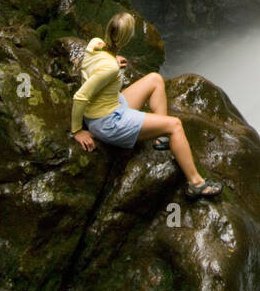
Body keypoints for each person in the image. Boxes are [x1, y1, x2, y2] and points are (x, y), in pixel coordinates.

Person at [70, 12, 222, 201]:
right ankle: (196, 184)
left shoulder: (96, 44)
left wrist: (113, 58)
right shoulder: (109, 68)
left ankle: (160, 138)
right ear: (127, 38)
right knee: (175, 125)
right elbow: (80, 97)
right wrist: (77, 131)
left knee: (155, 79)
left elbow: (97, 61)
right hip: (108, 122)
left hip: (112, 105)